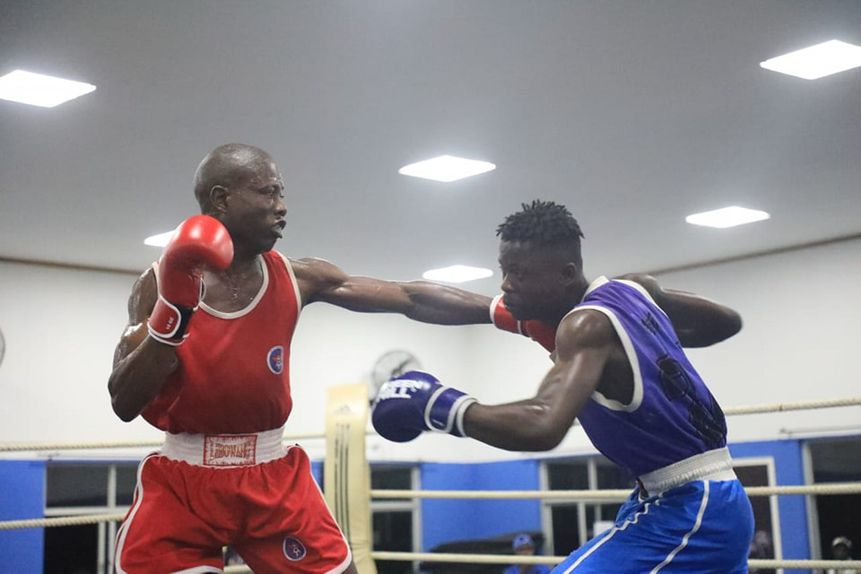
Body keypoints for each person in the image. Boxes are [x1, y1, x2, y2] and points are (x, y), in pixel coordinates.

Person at [107, 143, 499, 573]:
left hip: (272, 477)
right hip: (184, 481)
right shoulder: (160, 282)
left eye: (280, 193)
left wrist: (504, 312)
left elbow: (408, 297)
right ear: (221, 199)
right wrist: (173, 317)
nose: (282, 207)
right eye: (268, 192)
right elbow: (124, 403)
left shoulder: (297, 277)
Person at [372, 199, 755, 572]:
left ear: (566, 274)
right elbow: (725, 323)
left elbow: (543, 424)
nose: (506, 283)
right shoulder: (635, 291)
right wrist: (650, 339)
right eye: (504, 270)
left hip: (690, 506)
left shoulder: (584, 325)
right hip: (686, 499)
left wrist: (440, 407)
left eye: (519, 274)